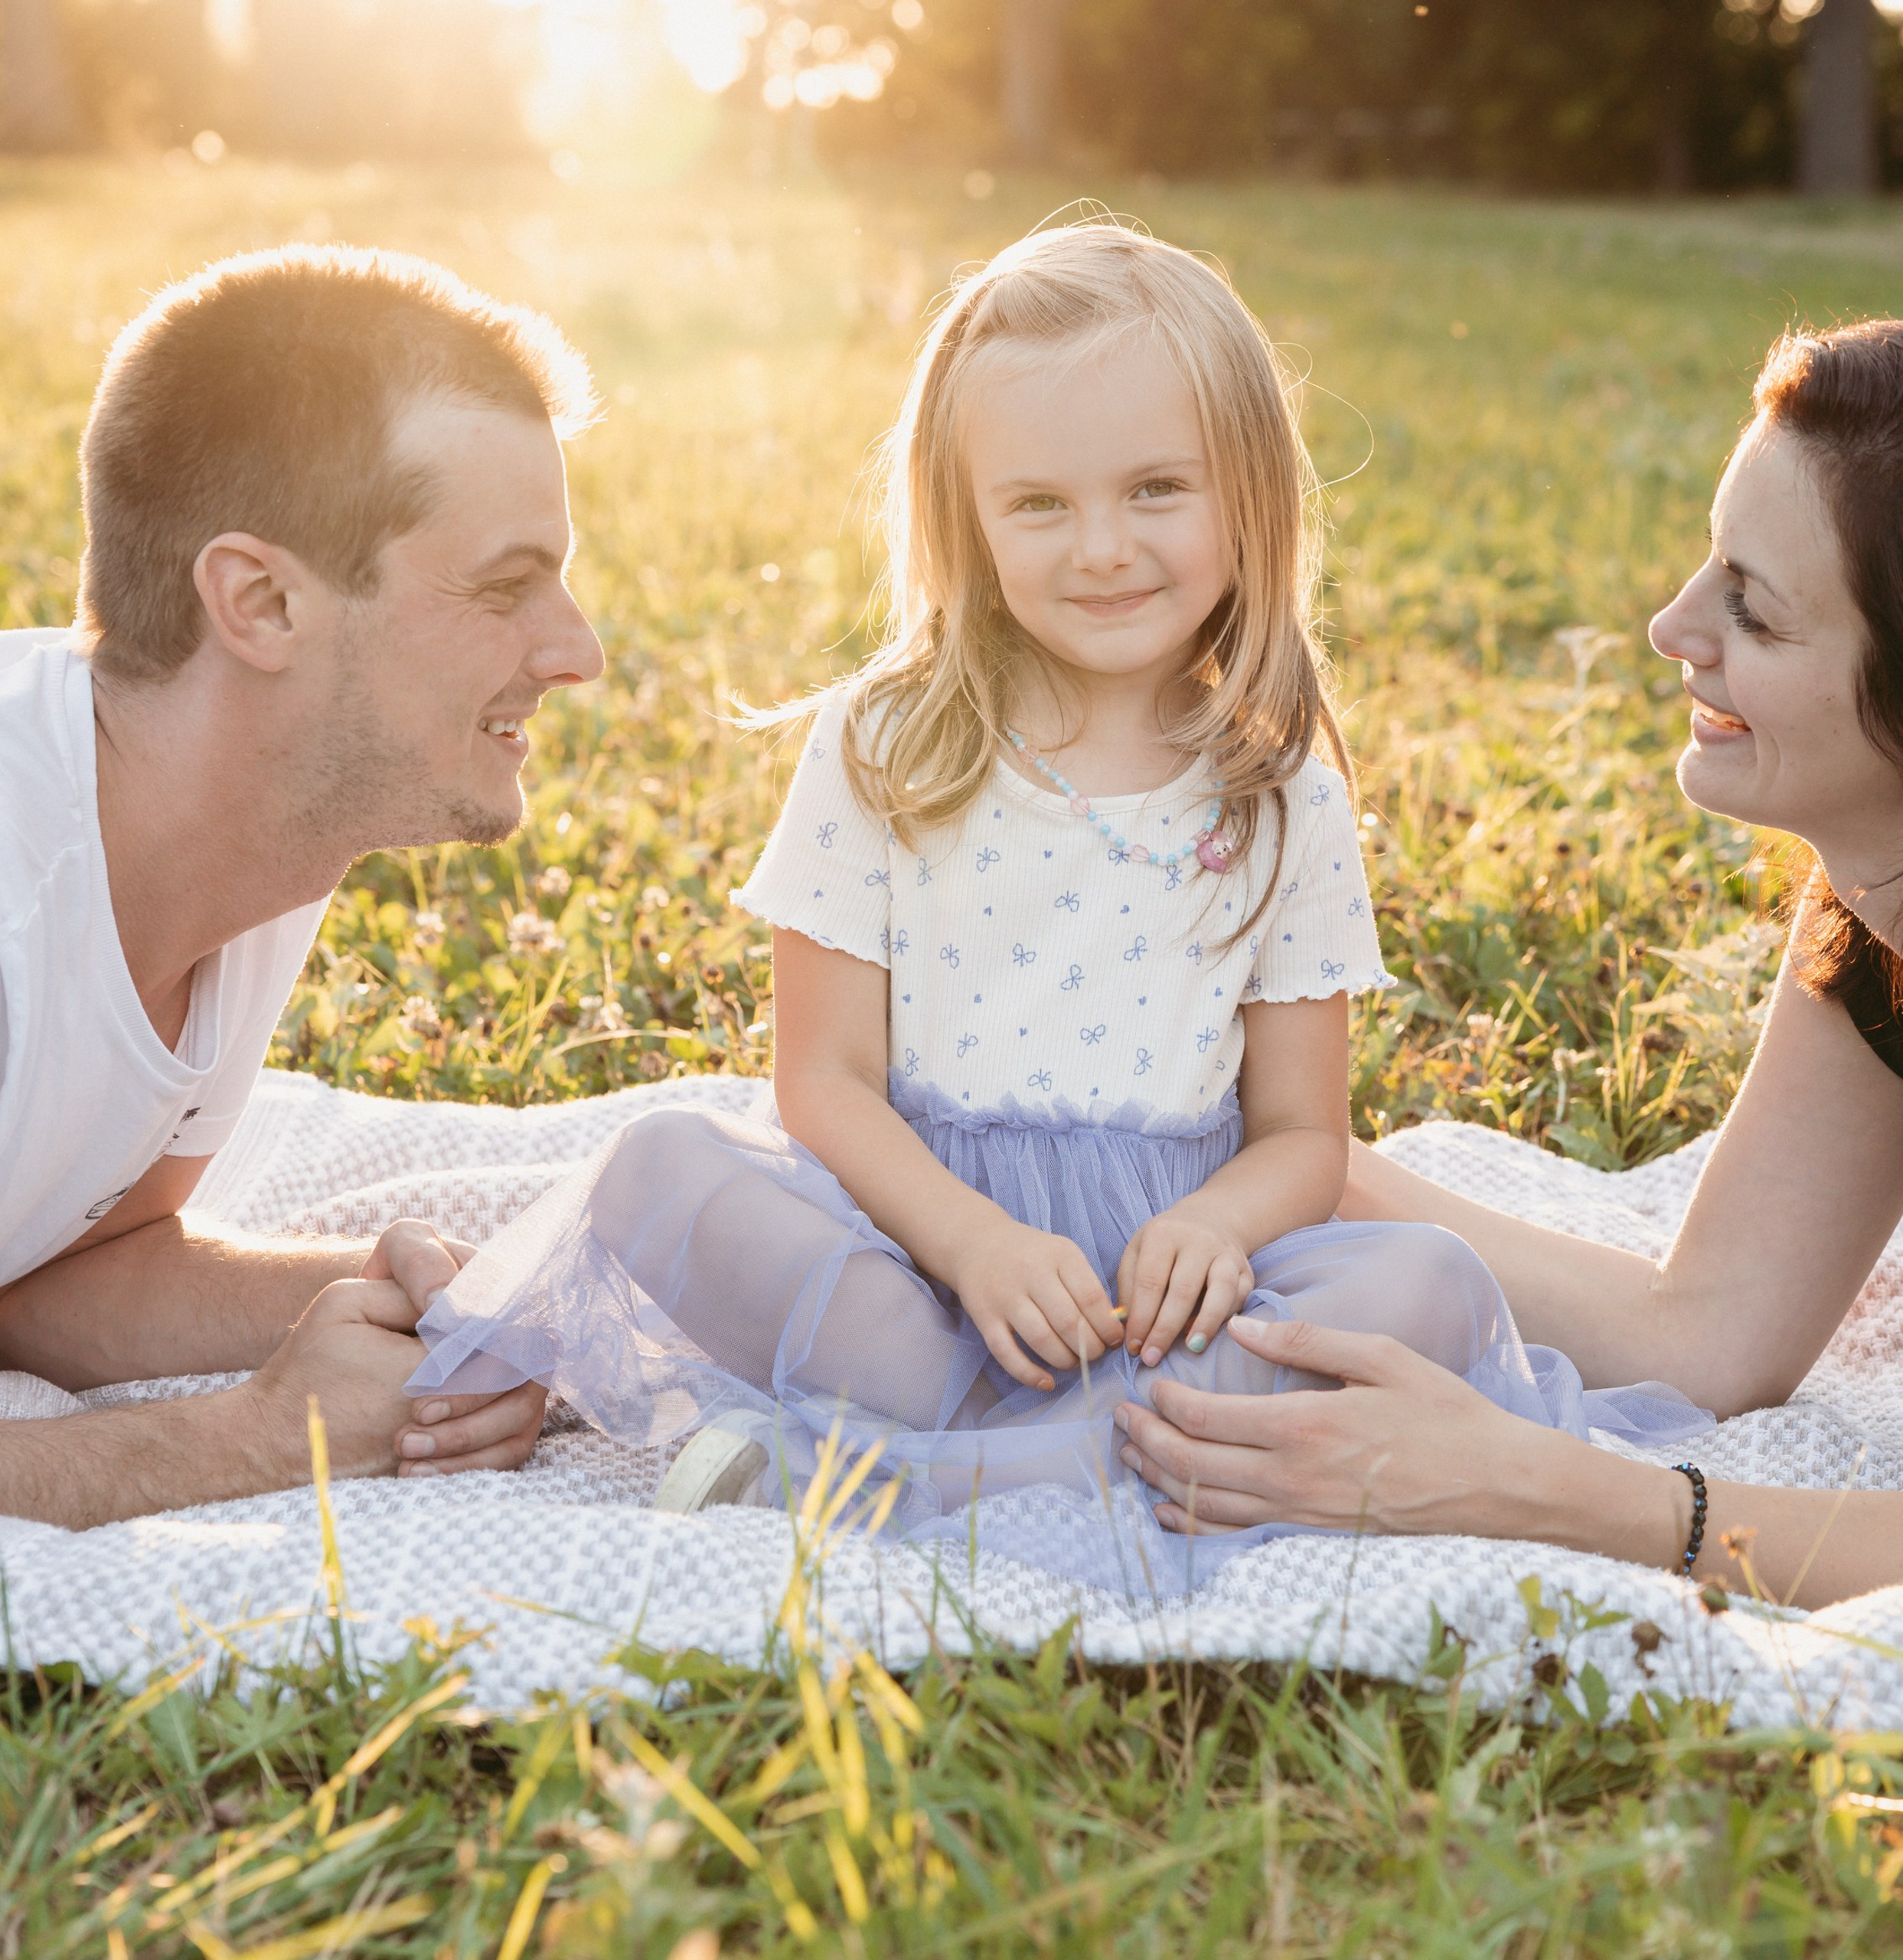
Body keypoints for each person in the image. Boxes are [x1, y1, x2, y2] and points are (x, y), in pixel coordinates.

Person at [406, 224, 1705, 1589]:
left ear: (1250, 494)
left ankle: (912, 1482)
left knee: (1425, 1286)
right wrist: (971, 1243)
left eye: (1157, 490)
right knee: (657, 1164)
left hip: (1157, 1308)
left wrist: (1216, 1229)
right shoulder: (884, 745)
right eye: (1037, 504)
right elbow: (823, 1081)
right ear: (966, 515)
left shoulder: (1282, 795)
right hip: (915, 1263)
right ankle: (1043, 1458)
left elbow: (1303, 1136)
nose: (1102, 549)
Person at [1112, 313, 1903, 1611]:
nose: (1672, 625)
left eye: (1755, 610)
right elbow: (1714, 1335)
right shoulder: (1885, 900)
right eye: (1711, 563)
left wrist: (1540, 1488)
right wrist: (1234, 1138)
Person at [0, 244, 606, 1528]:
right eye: (506, 586)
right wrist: (256, 1436)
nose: (577, 652)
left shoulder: (259, 830)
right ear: (263, 602)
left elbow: (57, 1270)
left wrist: (438, 1305)